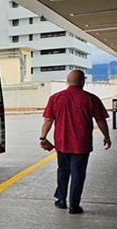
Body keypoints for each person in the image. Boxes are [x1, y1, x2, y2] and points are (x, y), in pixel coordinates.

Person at [39, 69, 111, 214]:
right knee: (78, 173)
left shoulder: (55, 98)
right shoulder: (91, 99)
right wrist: (106, 136)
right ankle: (74, 205)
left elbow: (48, 120)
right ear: (83, 81)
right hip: (81, 144)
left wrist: (43, 137)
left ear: (67, 82)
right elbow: (100, 120)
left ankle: (61, 200)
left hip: (61, 142)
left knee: (63, 171)